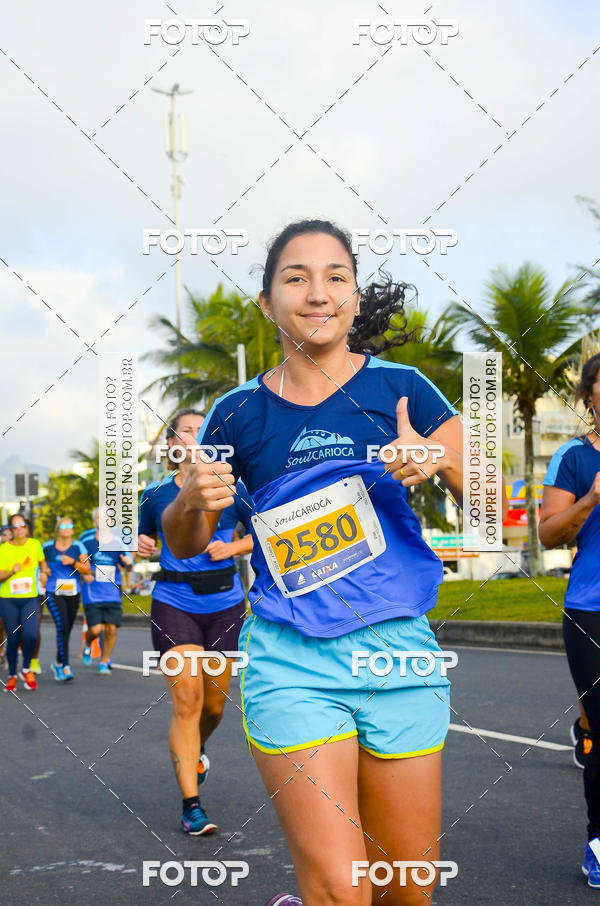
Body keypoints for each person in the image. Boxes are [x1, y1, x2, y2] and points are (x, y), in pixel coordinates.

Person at [162, 220, 464, 906]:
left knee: (407, 893)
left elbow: (489, 495)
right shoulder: (236, 415)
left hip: (399, 657)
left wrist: (438, 457)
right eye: (295, 277)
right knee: (339, 890)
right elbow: (185, 537)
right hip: (292, 662)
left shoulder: (405, 389)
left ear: (356, 297)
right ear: (268, 303)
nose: (317, 292)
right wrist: (190, 497)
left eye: (336, 277)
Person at [138, 408, 253, 836]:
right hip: (174, 601)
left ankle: (198, 746)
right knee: (187, 702)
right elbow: (141, 540)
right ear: (172, 445)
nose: (197, 437)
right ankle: (191, 806)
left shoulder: (234, 488)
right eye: (187, 431)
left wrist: (235, 546)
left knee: (215, 706)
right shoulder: (154, 494)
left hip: (225, 604)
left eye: (205, 431)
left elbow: (262, 530)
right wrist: (143, 543)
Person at [540, 351, 600, 889]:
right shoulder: (574, 458)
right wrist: (589, 501)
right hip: (592, 610)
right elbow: (548, 534)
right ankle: (599, 843)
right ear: (589, 396)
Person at [79, 508, 133, 674]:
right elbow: (79, 562)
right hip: (92, 591)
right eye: (99, 518)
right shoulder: (86, 540)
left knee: (111, 629)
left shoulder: (119, 541)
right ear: (95, 521)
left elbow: (129, 564)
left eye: (106, 518)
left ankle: (104, 661)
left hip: (112, 590)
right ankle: (88, 645)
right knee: (96, 629)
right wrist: (84, 572)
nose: (102, 521)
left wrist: (127, 562)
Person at [0, 514, 48, 692]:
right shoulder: (4, 549)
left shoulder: (35, 545)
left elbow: (43, 564)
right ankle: (12, 674)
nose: (19, 529)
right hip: (8, 600)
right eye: (15, 526)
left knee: (31, 636)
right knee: (12, 639)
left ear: (27, 527)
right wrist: (12, 571)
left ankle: (26, 668)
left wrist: (44, 573)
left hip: (29, 598)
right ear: (11, 531)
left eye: (22, 525)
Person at [42, 517, 90, 681]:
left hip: (73, 593)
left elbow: (87, 569)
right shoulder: (47, 547)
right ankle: (65, 667)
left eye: (70, 525)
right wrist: (44, 571)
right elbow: (40, 565)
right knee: (62, 626)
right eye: (63, 525)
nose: (67, 528)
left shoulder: (78, 546)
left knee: (66, 629)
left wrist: (73, 562)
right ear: (58, 529)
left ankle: (57, 662)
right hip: (53, 592)